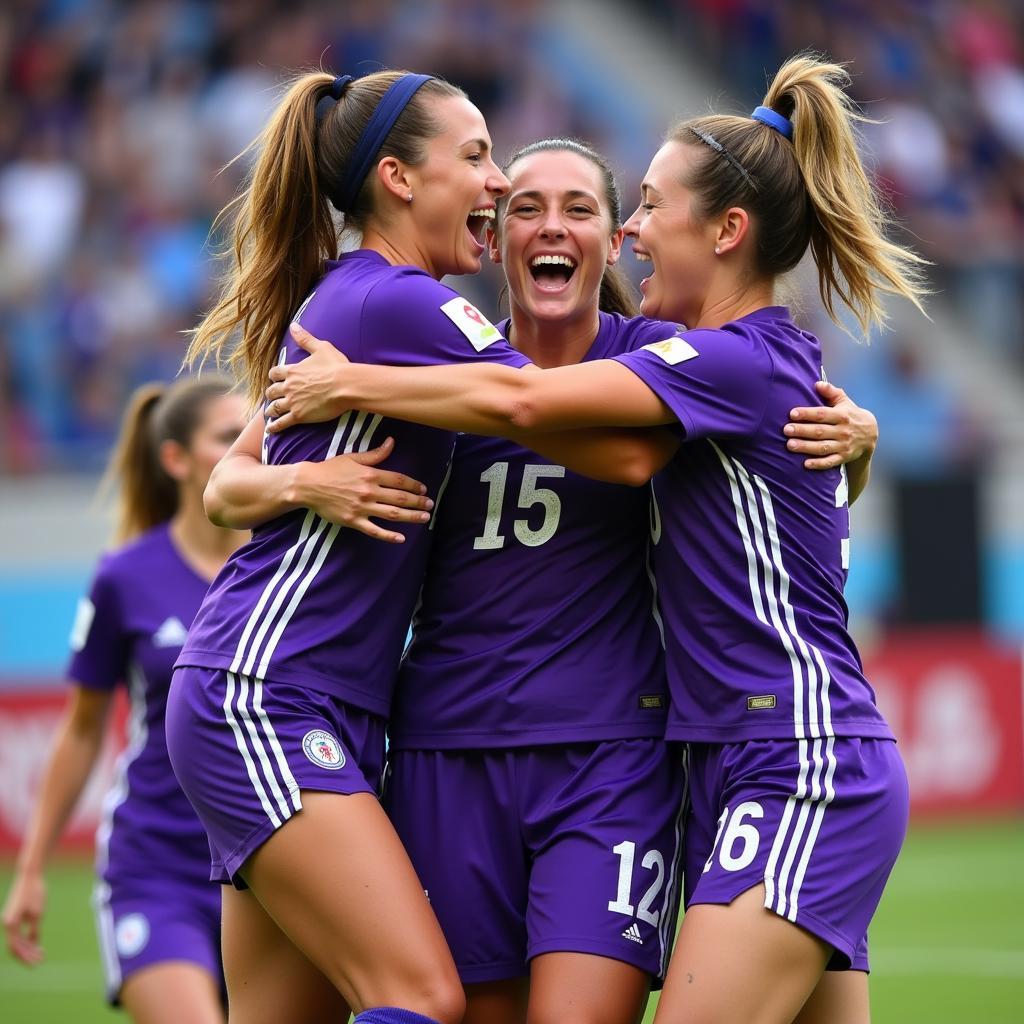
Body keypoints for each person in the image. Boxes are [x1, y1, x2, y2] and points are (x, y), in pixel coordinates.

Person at [263, 55, 924, 1024]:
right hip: (521, 749)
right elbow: (236, 462)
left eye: (614, 206)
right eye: (523, 204)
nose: (612, 231)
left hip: (741, 751)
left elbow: (538, 400)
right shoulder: (438, 339)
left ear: (724, 230)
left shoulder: (672, 361)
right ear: (493, 240)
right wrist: (293, 472)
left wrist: (353, 382)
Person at [164, 69, 641, 1024]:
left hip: (314, 702)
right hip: (271, 693)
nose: (497, 180)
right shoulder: (405, 305)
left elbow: (230, 482)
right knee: (420, 993)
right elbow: (533, 406)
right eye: (474, 157)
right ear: (398, 178)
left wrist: (304, 477)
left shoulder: (363, 306)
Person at [2, 377, 247, 1024]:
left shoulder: (289, 564)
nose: (250, 447)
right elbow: (82, 730)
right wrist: (30, 870)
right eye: (228, 436)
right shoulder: (125, 576)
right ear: (176, 459)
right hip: (156, 866)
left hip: (270, 871)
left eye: (255, 433)